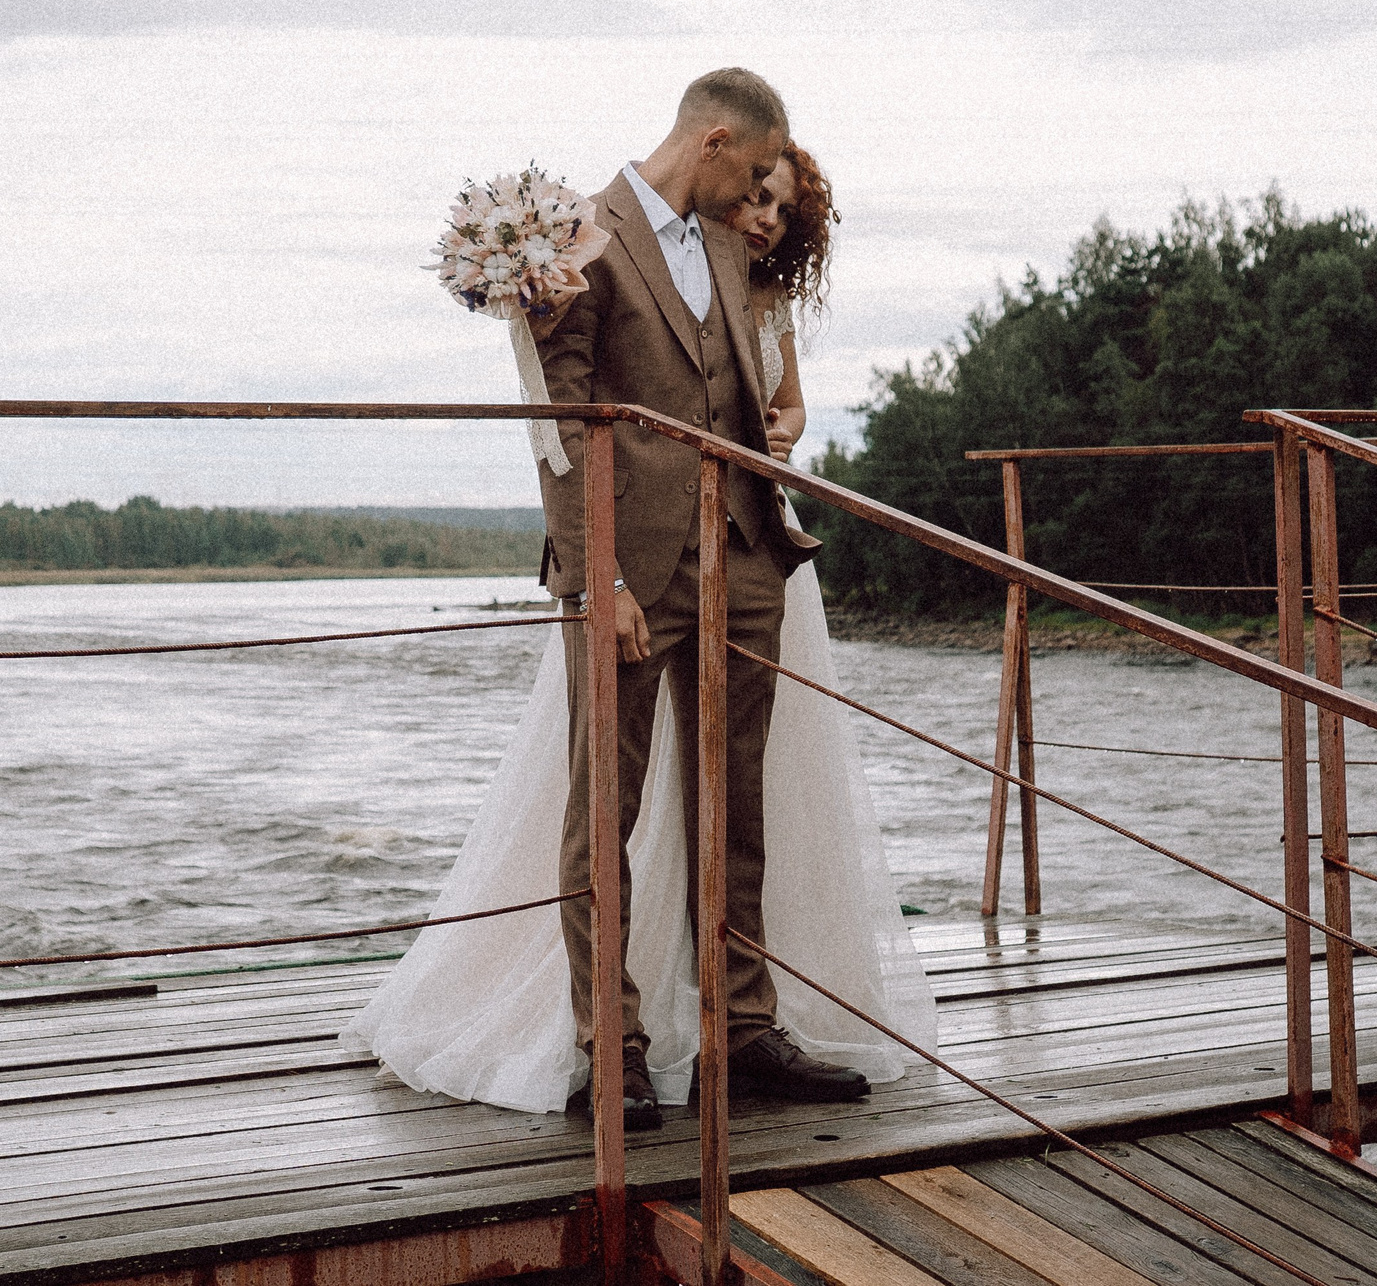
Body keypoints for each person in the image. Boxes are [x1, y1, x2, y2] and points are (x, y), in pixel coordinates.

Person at [344, 77, 936, 1126]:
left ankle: (740, 1033)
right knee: (603, 810)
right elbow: (564, 430)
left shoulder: (725, 245)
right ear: (712, 140)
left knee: (735, 801)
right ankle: (607, 1044)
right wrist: (598, 576)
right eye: (750, 171)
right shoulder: (578, 235)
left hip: (744, 556)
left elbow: (740, 384)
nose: (756, 193)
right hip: (632, 570)